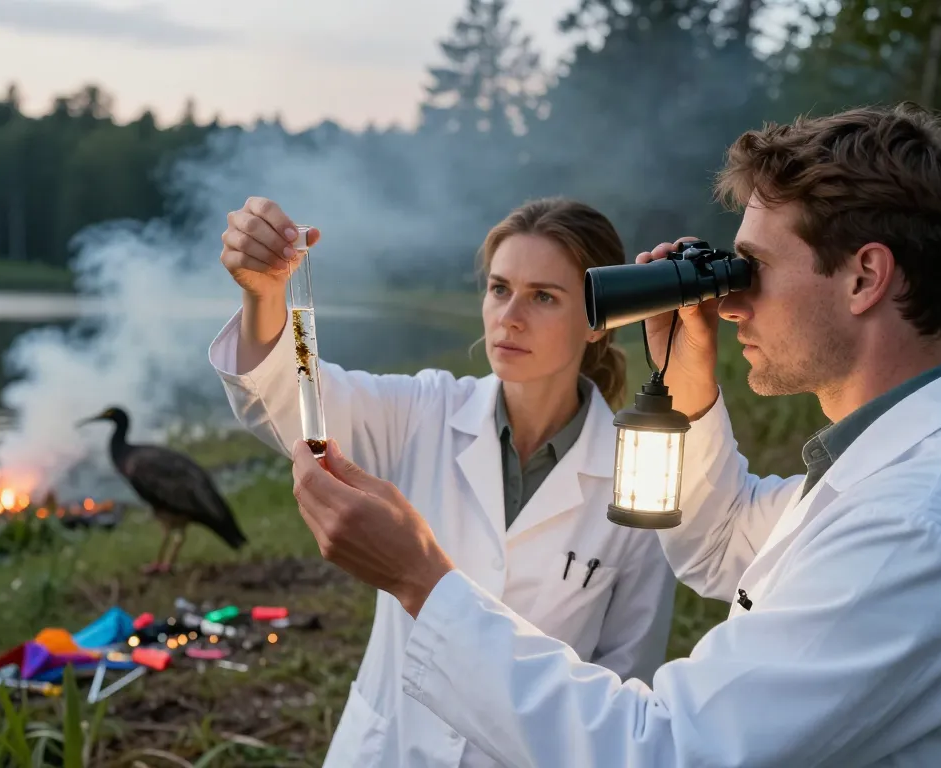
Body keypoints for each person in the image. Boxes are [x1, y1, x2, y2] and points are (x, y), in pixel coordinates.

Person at [289, 101, 941, 766]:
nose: (734, 301)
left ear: (865, 276)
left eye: (758, 268)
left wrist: (422, 580)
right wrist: (687, 377)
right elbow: (721, 542)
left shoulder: (916, 524)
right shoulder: (890, 470)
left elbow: (663, 749)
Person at [208, 196, 678, 767]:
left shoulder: (640, 480)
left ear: (599, 323)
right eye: (500, 288)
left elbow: (623, 693)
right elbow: (286, 401)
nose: (510, 316)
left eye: (544, 297)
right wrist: (263, 296)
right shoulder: (424, 412)